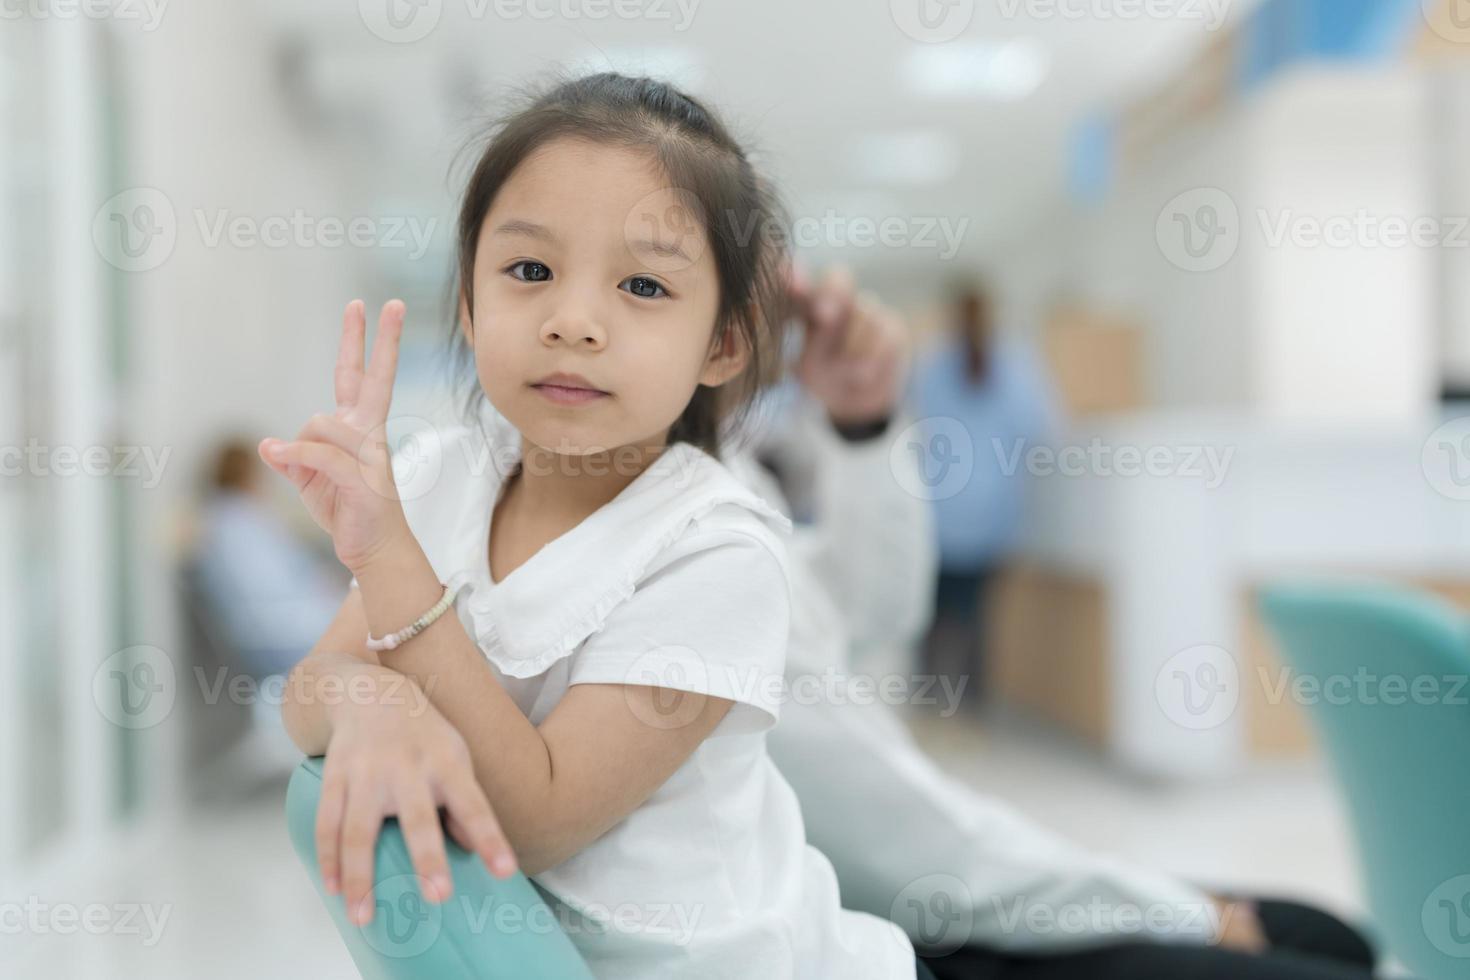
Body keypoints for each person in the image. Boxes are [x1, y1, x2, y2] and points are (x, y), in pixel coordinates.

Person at [264, 73, 922, 978]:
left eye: (644, 286)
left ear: (723, 344)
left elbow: (533, 819)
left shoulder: (718, 552)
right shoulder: (440, 477)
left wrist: (386, 556)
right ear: (468, 300)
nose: (573, 322)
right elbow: (312, 687)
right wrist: (368, 700)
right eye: (529, 271)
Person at [747, 267, 1381, 979]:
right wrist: (1178, 911)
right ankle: (966, 711)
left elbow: (874, 610)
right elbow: (909, 840)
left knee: (1324, 936)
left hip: (951, 553)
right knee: (1322, 945)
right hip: (887, 919)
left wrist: (863, 421)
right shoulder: (705, 536)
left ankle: (957, 712)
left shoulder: (734, 474)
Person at [912, 284, 1059, 706]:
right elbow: (1042, 431)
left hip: (939, 517)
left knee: (934, 619)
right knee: (976, 620)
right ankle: (973, 711)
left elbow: (910, 430)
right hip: (992, 519)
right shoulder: (1018, 368)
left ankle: (933, 709)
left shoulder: (930, 367)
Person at [193, 439, 343, 679]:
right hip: (276, 633)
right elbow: (269, 588)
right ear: (248, 474)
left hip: (279, 623)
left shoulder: (233, 520)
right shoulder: (239, 525)